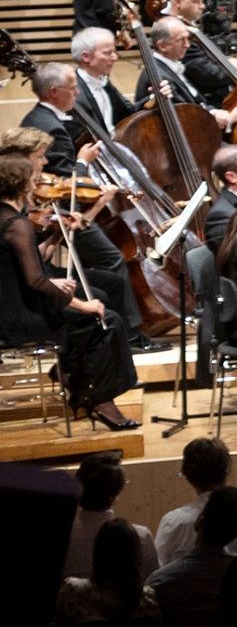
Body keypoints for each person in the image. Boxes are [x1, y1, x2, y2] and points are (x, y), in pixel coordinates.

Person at [0, 150, 138, 430]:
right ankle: (99, 400)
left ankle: (79, 384)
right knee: (105, 321)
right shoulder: (17, 224)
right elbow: (36, 281)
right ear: (22, 183)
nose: (36, 184)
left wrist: (54, 234)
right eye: (33, 179)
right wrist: (81, 305)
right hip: (19, 318)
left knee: (97, 315)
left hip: (15, 309)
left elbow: (32, 260)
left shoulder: (9, 218)